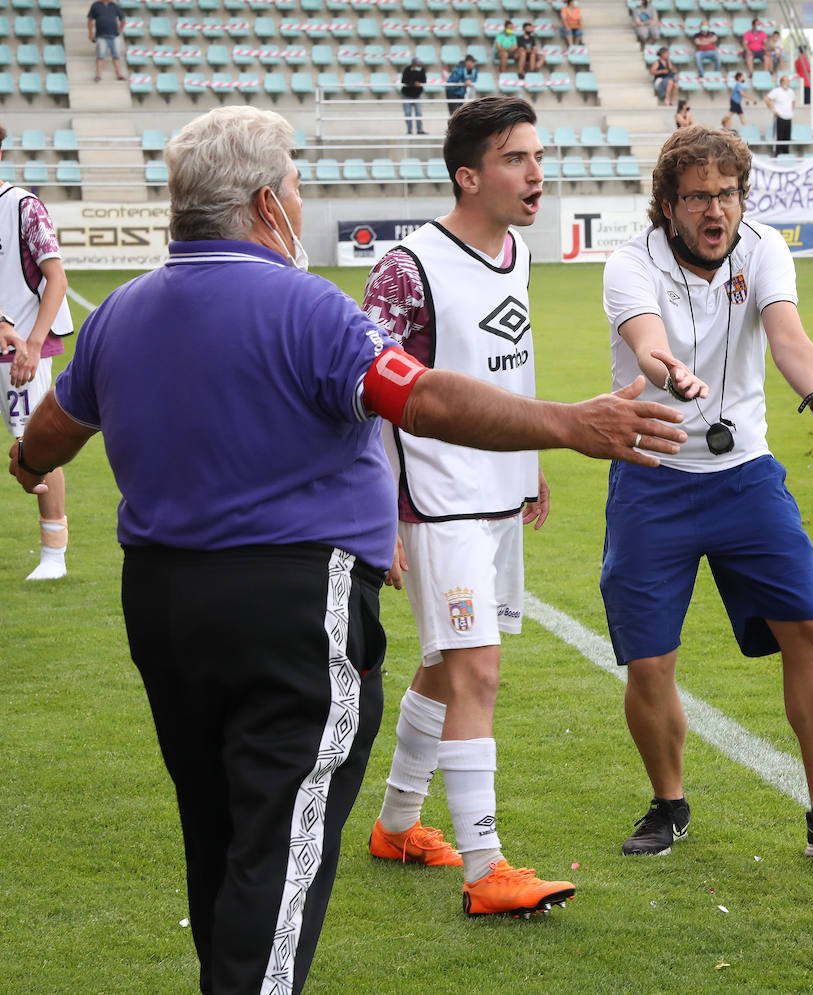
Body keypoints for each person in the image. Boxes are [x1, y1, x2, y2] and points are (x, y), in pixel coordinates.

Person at [6, 104, 686, 995]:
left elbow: (43, 446)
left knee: (217, 824)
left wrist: (32, 455)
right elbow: (423, 397)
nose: (298, 195)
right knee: (280, 842)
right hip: (291, 604)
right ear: (263, 202)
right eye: (291, 182)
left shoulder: (122, 312)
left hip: (163, 603)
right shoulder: (308, 308)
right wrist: (567, 424)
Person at [599, 125, 813, 862]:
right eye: (698, 196)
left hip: (746, 477)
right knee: (650, 660)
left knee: (808, 627)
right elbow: (645, 341)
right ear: (668, 205)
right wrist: (671, 373)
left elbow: (788, 333)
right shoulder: (629, 262)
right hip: (652, 475)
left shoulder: (764, 247)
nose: (715, 210)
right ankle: (668, 804)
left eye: (727, 194)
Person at [361, 96, 579, 917]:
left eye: (537, 155)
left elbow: (503, 369)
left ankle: (396, 824)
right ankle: (487, 867)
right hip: (437, 499)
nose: (537, 173)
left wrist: (529, 463)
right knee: (476, 669)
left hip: (496, 494)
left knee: (446, 664)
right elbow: (370, 392)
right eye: (517, 159)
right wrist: (381, 511)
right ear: (469, 175)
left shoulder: (516, 251)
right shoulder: (406, 268)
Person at [0, 124, 76, 582]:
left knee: (35, 448)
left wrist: (30, 344)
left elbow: (57, 279)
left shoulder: (23, 207)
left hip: (23, 354)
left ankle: (53, 556)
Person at [87, 0, 127, 82]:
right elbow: (90, 20)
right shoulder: (96, 5)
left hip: (114, 35)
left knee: (116, 56)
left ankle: (119, 74)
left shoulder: (114, 5)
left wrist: (119, 30)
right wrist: (90, 33)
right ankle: (98, 75)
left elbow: (123, 19)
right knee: (100, 56)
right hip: (101, 36)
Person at [765, 78, 795, 156]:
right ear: (782, 82)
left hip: (788, 118)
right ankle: (777, 155)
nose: (788, 83)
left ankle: (786, 155)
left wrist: (791, 111)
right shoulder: (776, 91)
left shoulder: (791, 92)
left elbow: (793, 101)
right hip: (779, 117)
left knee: (787, 138)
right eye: (787, 81)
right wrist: (773, 110)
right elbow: (767, 99)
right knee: (779, 138)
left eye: (789, 81)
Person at [400, 56, 427, 134]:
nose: (419, 66)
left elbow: (424, 80)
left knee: (419, 113)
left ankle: (420, 130)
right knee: (408, 113)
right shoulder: (407, 69)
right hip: (406, 94)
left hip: (417, 95)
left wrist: (419, 83)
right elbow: (404, 80)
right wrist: (413, 83)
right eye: (417, 65)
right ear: (413, 64)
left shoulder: (422, 70)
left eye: (419, 65)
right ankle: (409, 130)